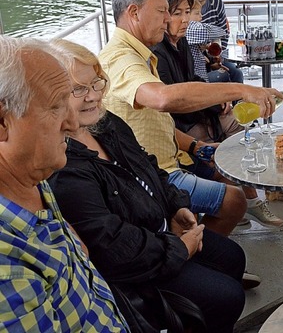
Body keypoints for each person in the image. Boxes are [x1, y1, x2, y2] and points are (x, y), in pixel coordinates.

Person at [47, 39, 245, 333]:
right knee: (227, 297)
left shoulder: (105, 124)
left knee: (233, 257)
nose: (93, 97)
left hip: (161, 231)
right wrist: (177, 249)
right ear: (52, 98)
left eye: (96, 83)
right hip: (135, 269)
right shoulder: (65, 167)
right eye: (78, 89)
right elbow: (111, 246)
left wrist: (176, 206)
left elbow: (148, 165)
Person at [98, 0, 283, 237]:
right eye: (163, 11)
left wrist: (196, 147)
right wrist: (242, 89)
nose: (168, 19)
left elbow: (151, 124)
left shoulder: (142, 54)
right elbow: (163, 99)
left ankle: (198, 251)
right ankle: (194, 256)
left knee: (222, 168)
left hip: (167, 157)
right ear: (134, 12)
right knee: (234, 201)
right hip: (152, 175)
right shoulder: (120, 58)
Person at [0, 35, 128, 332]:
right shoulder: (6, 271)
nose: (72, 124)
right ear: (3, 122)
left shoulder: (33, 177)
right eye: (56, 107)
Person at [153, 0, 283, 227]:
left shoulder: (179, 43)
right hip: (180, 125)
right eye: (177, 13)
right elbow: (171, 100)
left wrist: (219, 100)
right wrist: (224, 96)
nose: (186, 20)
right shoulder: (157, 52)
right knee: (219, 142)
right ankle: (247, 202)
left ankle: (259, 192)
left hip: (197, 113)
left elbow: (192, 79)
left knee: (240, 127)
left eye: (188, 13)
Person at [185, 0, 244, 83]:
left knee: (236, 73)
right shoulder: (184, 5)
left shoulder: (216, 3)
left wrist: (216, 58)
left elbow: (224, 35)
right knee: (221, 76)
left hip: (213, 55)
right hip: (191, 62)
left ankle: (238, 101)